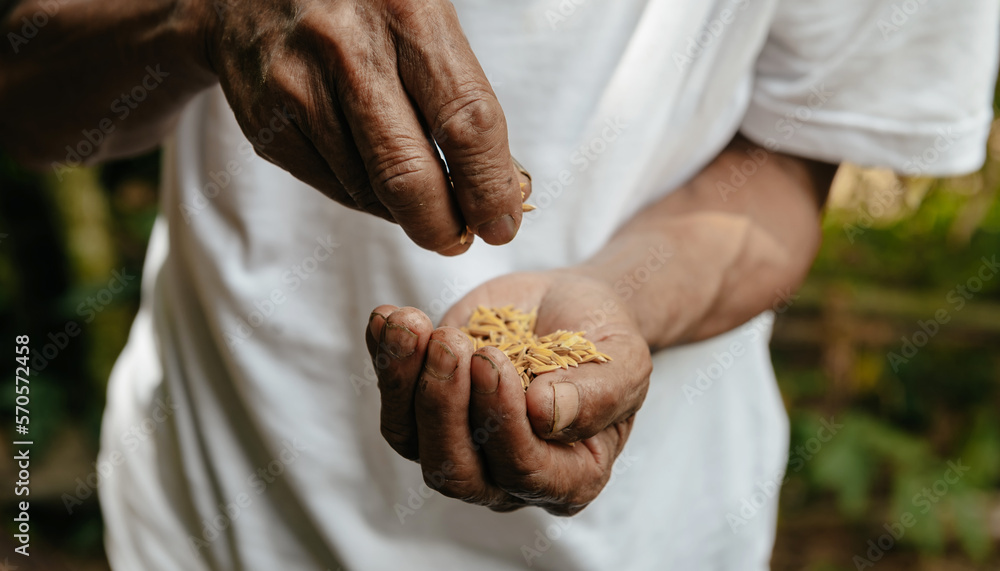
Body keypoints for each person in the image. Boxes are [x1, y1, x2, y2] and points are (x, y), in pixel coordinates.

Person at [2, 0, 997, 569]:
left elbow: (787, 166)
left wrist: (627, 295)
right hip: (210, 521)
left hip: (657, 540)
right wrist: (200, 16)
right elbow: (27, 100)